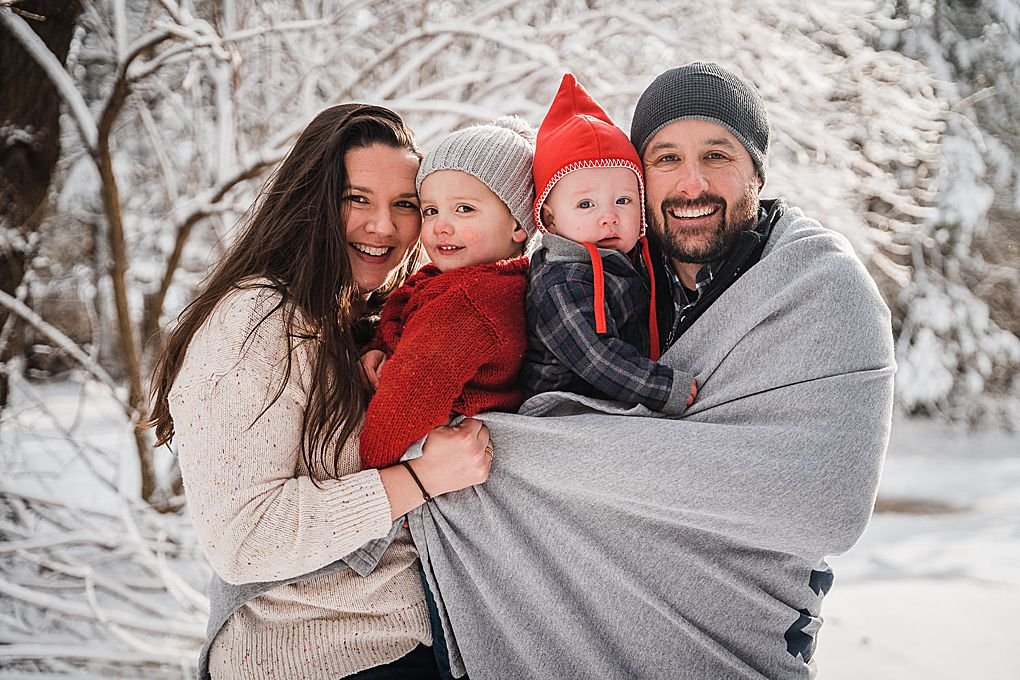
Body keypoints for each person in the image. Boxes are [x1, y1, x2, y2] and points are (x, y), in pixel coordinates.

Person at [407, 62, 896, 679]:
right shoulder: (603, 276)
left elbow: (826, 499)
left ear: (758, 172)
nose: (691, 184)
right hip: (550, 616)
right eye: (666, 158)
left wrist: (486, 449)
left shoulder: (819, 287)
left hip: (731, 641)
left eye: (717, 154)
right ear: (638, 179)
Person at [146, 104, 493, 680]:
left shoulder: (358, 318)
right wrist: (423, 478)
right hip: (313, 654)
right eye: (357, 199)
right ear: (311, 202)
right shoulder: (254, 320)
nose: (384, 226)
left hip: (405, 643)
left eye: (404, 205)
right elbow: (245, 539)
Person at [358, 117, 535, 470]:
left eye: (464, 209)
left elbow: (404, 404)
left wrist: (366, 476)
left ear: (518, 223)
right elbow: (404, 306)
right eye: (430, 210)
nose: (441, 225)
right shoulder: (459, 279)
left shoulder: (468, 303)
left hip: (424, 460)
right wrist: (377, 346)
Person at [521, 73, 696, 414]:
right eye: (586, 205)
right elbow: (595, 355)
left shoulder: (631, 258)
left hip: (611, 400)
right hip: (561, 408)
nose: (608, 217)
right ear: (551, 219)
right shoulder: (561, 281)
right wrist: (662, 387)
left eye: (623, 201)